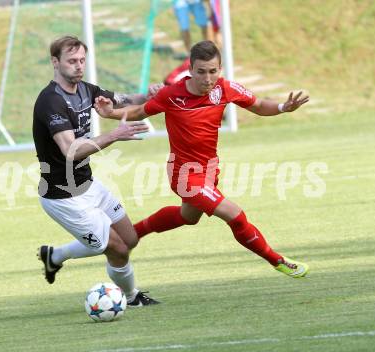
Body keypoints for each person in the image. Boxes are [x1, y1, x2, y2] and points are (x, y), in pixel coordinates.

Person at [94, 40, 310, 278]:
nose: (207, 79)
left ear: (219, 69)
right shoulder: (172, 94)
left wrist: (282, 106)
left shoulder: (225, 89)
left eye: (213, 71)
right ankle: (277, 260)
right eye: (201, 72)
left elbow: (258, 105)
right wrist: (111, 113)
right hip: (185, 175)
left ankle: (128, 235)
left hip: (208, 171)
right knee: (235, 216)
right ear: (190, 69)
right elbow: (139, 111)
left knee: (187, 217)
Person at [33, 35, 160, 306]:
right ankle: (131, 296)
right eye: (71, 61)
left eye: (82, 60)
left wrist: (150, 95)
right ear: (55, 62)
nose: (79, 66)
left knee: (130, 238)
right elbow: (70, 150)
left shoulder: (85, 90)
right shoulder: (50, 102)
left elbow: (123, 100)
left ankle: (54, 256)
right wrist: (114, 135)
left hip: (87, 184)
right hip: (62, 196)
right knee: (118, 249)